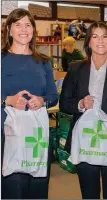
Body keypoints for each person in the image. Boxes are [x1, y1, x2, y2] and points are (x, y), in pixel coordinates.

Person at [59, 21, 107, 199]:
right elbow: (64, 103)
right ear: (88, 42)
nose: (100, 41)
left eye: (105, 36)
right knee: (89, 193)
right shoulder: (76, 69)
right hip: (84, 141)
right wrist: (80, 104)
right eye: (95, 36)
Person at [1, 8, 58, 199]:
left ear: (33, 30)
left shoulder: (43, 62)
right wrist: (7, 100)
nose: (23, 29)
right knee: (13, 189)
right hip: (8, 137)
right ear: (9, 29)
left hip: (37, 137)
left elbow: (53, 95)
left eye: (27, 24)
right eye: (17, 24)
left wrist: (43, 100)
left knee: (37, 190)